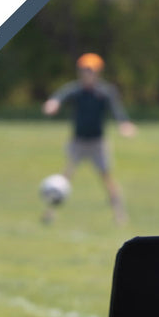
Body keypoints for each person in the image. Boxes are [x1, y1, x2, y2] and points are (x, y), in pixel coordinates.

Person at [42, 53, 137, 225]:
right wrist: (53, 103)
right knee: (64, 178)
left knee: (107, 178)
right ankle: (49, 213)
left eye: (90, 70)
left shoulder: (105, 91)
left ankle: (120, 214)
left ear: (98, 72)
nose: (86, 74)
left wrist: (124, 124)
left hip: (97, 143)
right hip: (78, 142)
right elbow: (59, 97)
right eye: (84, 70)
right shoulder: (75, 90)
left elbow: (117, 110)